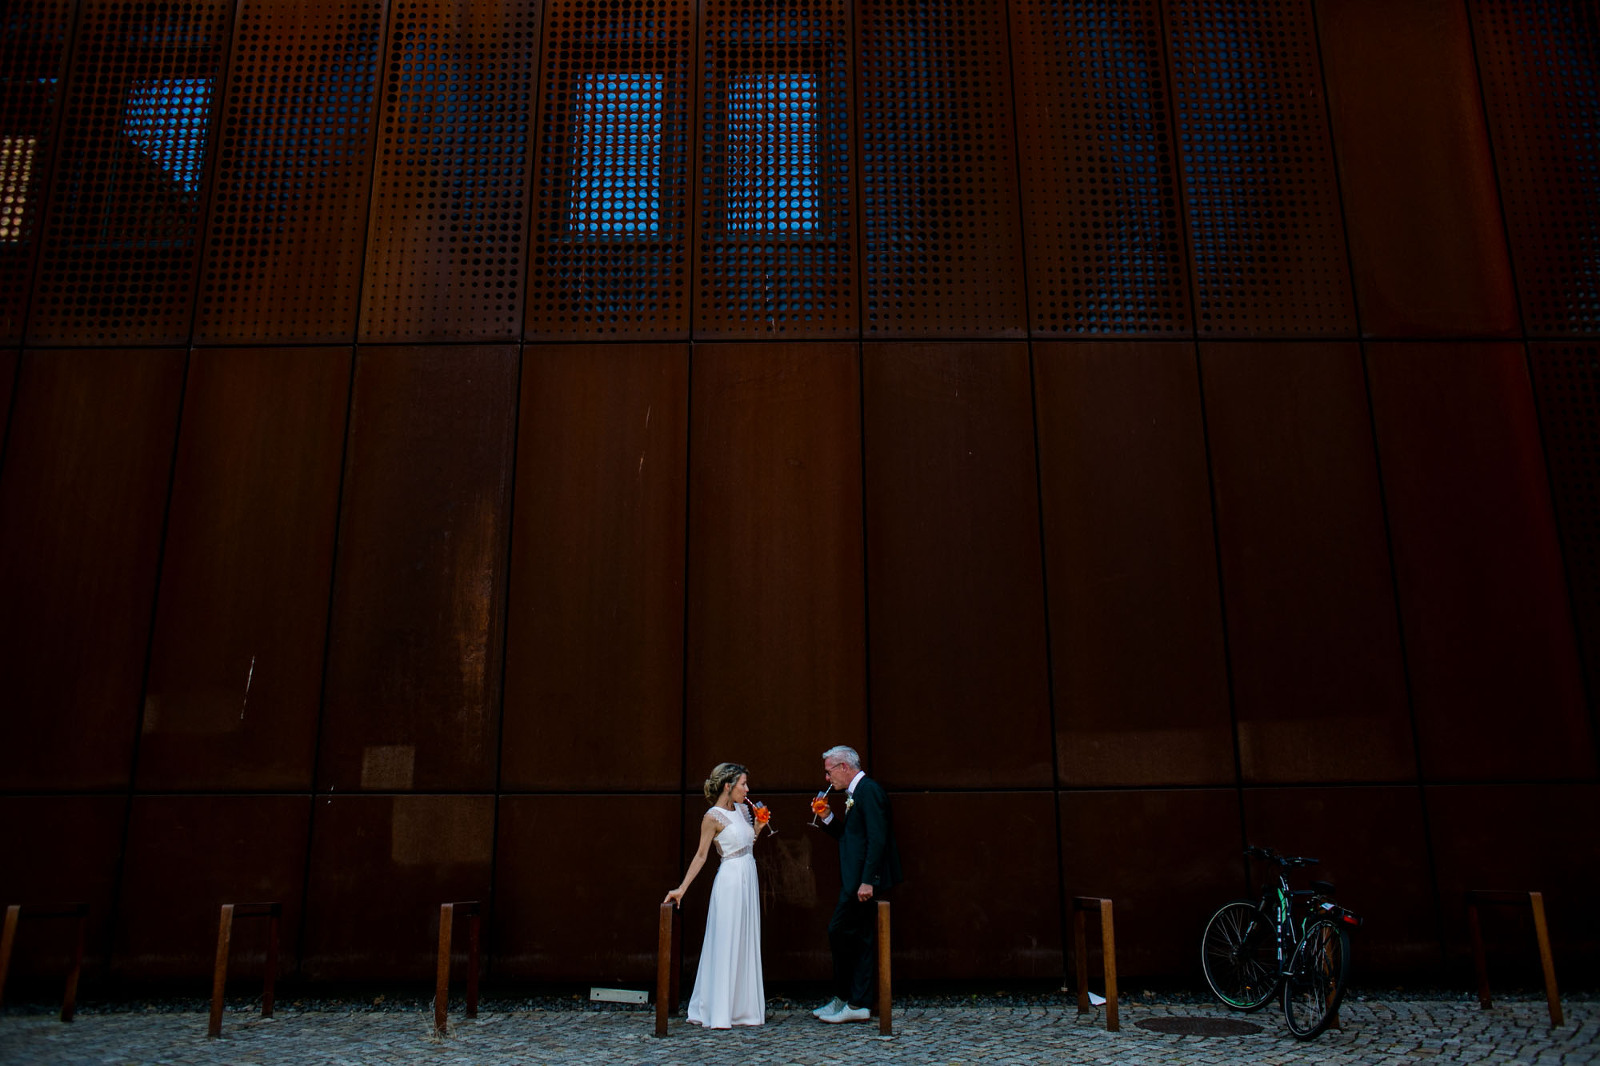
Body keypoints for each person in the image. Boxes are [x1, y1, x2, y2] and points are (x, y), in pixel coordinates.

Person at [663, 762, 770, 1028]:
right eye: (743, 784)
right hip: (730, 880)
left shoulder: (745, 810)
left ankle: (742, 1010)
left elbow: (747, 844)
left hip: (748, 874)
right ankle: (719, 1010)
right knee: (726, 939)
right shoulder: (712, 817)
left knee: (745, 939)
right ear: (728, 786)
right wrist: (682, 888)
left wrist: (757, 827)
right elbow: (702, 855)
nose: (747, 789)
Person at [810, 745, 902, 1024]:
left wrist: (868, 881)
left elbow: (878, 839)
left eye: (829, 772)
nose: (827, 779)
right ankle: (848, 999)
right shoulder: (855, 794)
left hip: (861, 885)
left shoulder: (869, 791)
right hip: (855, 882)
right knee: (854, 938)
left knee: (843, 933)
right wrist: (826, 817)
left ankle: (856, 1001)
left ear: (844, 767)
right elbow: (851, 839)